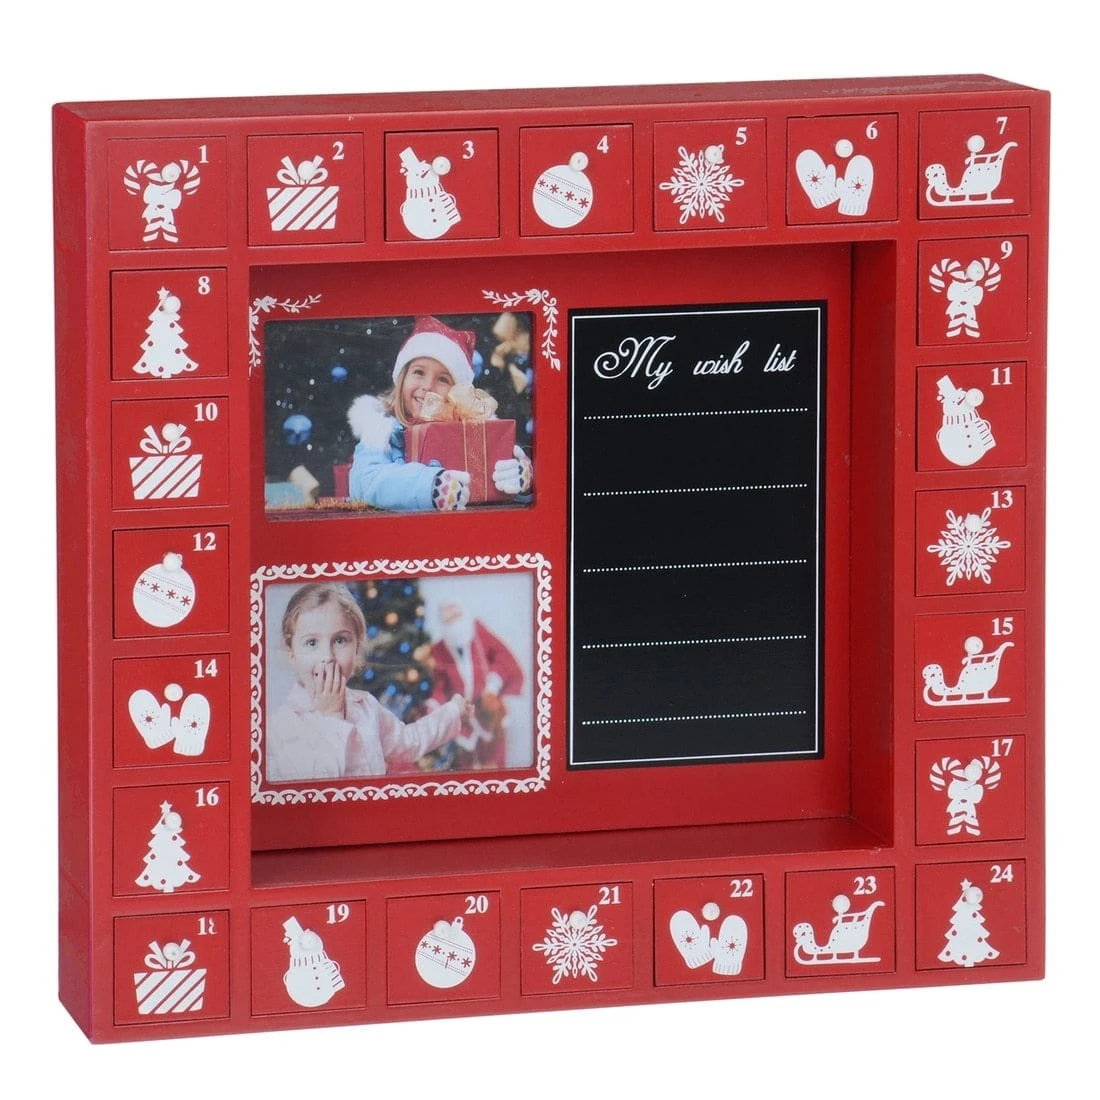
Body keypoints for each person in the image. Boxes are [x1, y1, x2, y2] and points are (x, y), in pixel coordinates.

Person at [266, 582, 469, 782]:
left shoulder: (366, 706)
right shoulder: (282, 726)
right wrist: (331, 717)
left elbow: (408, 741)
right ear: (292, 654)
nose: (327, 657)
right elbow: (314, 791)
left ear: (356, 647)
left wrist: (452, 712)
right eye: (311, 643)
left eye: (340, 640)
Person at [346, 316, 532, 511]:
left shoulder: (473, 431)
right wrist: (429, 486)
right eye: (419, 372)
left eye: (443, 379)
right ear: (402, 378)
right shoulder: (381, 431)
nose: (427, 386)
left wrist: (521, 479)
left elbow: (509, 484)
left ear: (457, 392)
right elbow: (365, 481)